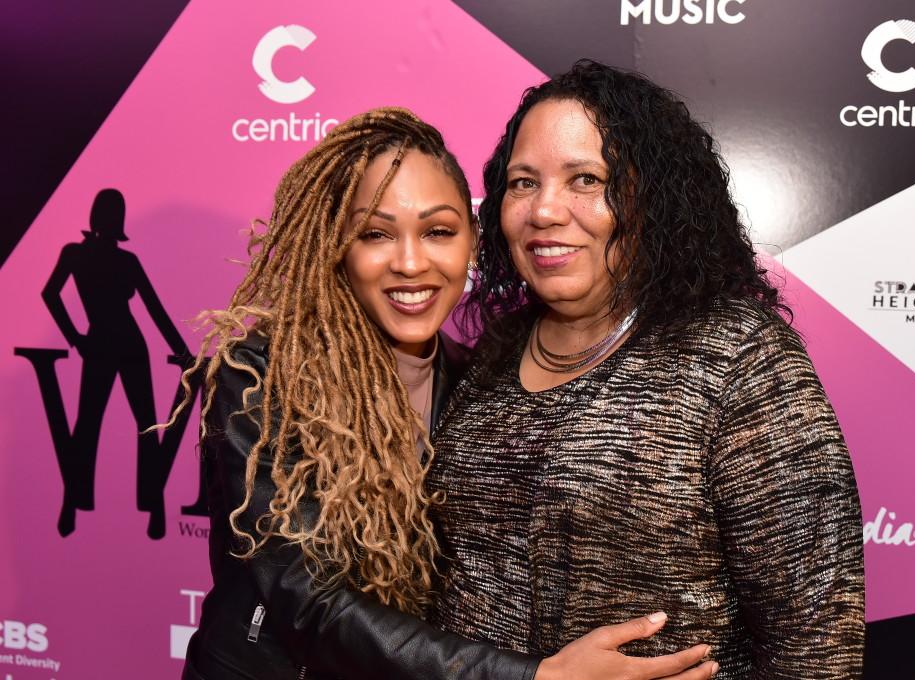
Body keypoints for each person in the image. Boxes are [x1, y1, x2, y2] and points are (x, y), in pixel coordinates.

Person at [179, 108, 719, 680]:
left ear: (473, 240)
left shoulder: (477, 383)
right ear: (335, 246)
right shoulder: (261, 379)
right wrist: (535, 678)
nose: (411, 264)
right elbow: (310, 600)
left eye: (438, 231)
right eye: (375, 234)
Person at [428, 61, 865, 679]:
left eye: (586, 178)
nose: (545, 210)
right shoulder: (496, 351)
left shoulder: (739, 358)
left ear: (653, 197)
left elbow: (818, 648)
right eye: (523, 183)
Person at [42, 188, 190, 539]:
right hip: (109, 345)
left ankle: (150, 506)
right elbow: (50, 294)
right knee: (99, 424)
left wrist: (183, 354)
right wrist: (75, 338)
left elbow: (155, 310)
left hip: (119, 345)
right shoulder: (79, 254)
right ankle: (76, 501)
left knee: (136, 425)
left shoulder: (121, 260)